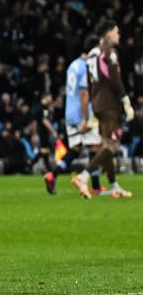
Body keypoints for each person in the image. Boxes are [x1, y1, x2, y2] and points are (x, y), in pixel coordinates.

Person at [84, 20, 133, 199]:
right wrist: (125, 99)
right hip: (109, 104)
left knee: (105, 146)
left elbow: (90, 83)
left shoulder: (91, 54)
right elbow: (114, 78)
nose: (119, 35)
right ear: (108, 33)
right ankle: (84, 176)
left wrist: (91, 109)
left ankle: (113, 185)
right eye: (116, 31)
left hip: (97, 103)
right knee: (112, 146)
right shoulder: (107, 53)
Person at [50, 38, 102, 196]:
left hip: (70, 112)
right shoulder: (86, 67)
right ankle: (95, 186)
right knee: (96, 147)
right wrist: (86, 118)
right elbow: (84, 93)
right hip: (82, 112)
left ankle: (53, 174)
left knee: (75, 149)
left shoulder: (73, 65)